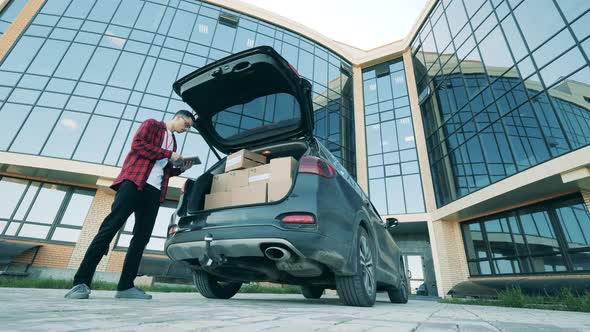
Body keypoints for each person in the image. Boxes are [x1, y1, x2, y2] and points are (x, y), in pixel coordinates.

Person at [65, 110, 196, 300]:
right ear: (177, 117)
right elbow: (138, 145)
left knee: (141, 238)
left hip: (154, 191)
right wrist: (169, 154)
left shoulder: (173, 142)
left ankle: (126, 286)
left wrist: (180, 168)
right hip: (134, 183)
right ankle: (80, 283)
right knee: (109, 229)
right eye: (187, 124)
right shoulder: (152, 124)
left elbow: (164, 169)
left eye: (190, 127)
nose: (187, 129)